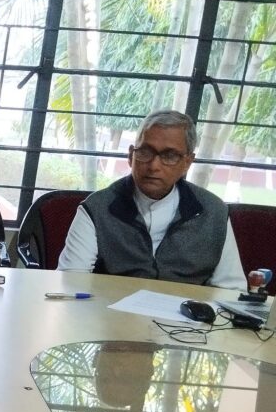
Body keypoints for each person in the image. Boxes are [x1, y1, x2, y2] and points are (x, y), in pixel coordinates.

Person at [57, 110, 246, 289]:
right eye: (145, 152)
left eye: (169, 156)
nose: (154, 166)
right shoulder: (97, 209)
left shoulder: (213, 212)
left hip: (185, 312)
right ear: (131, 156)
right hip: (108, 309)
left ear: (187, 163)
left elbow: (230, 290)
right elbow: (71, 281)